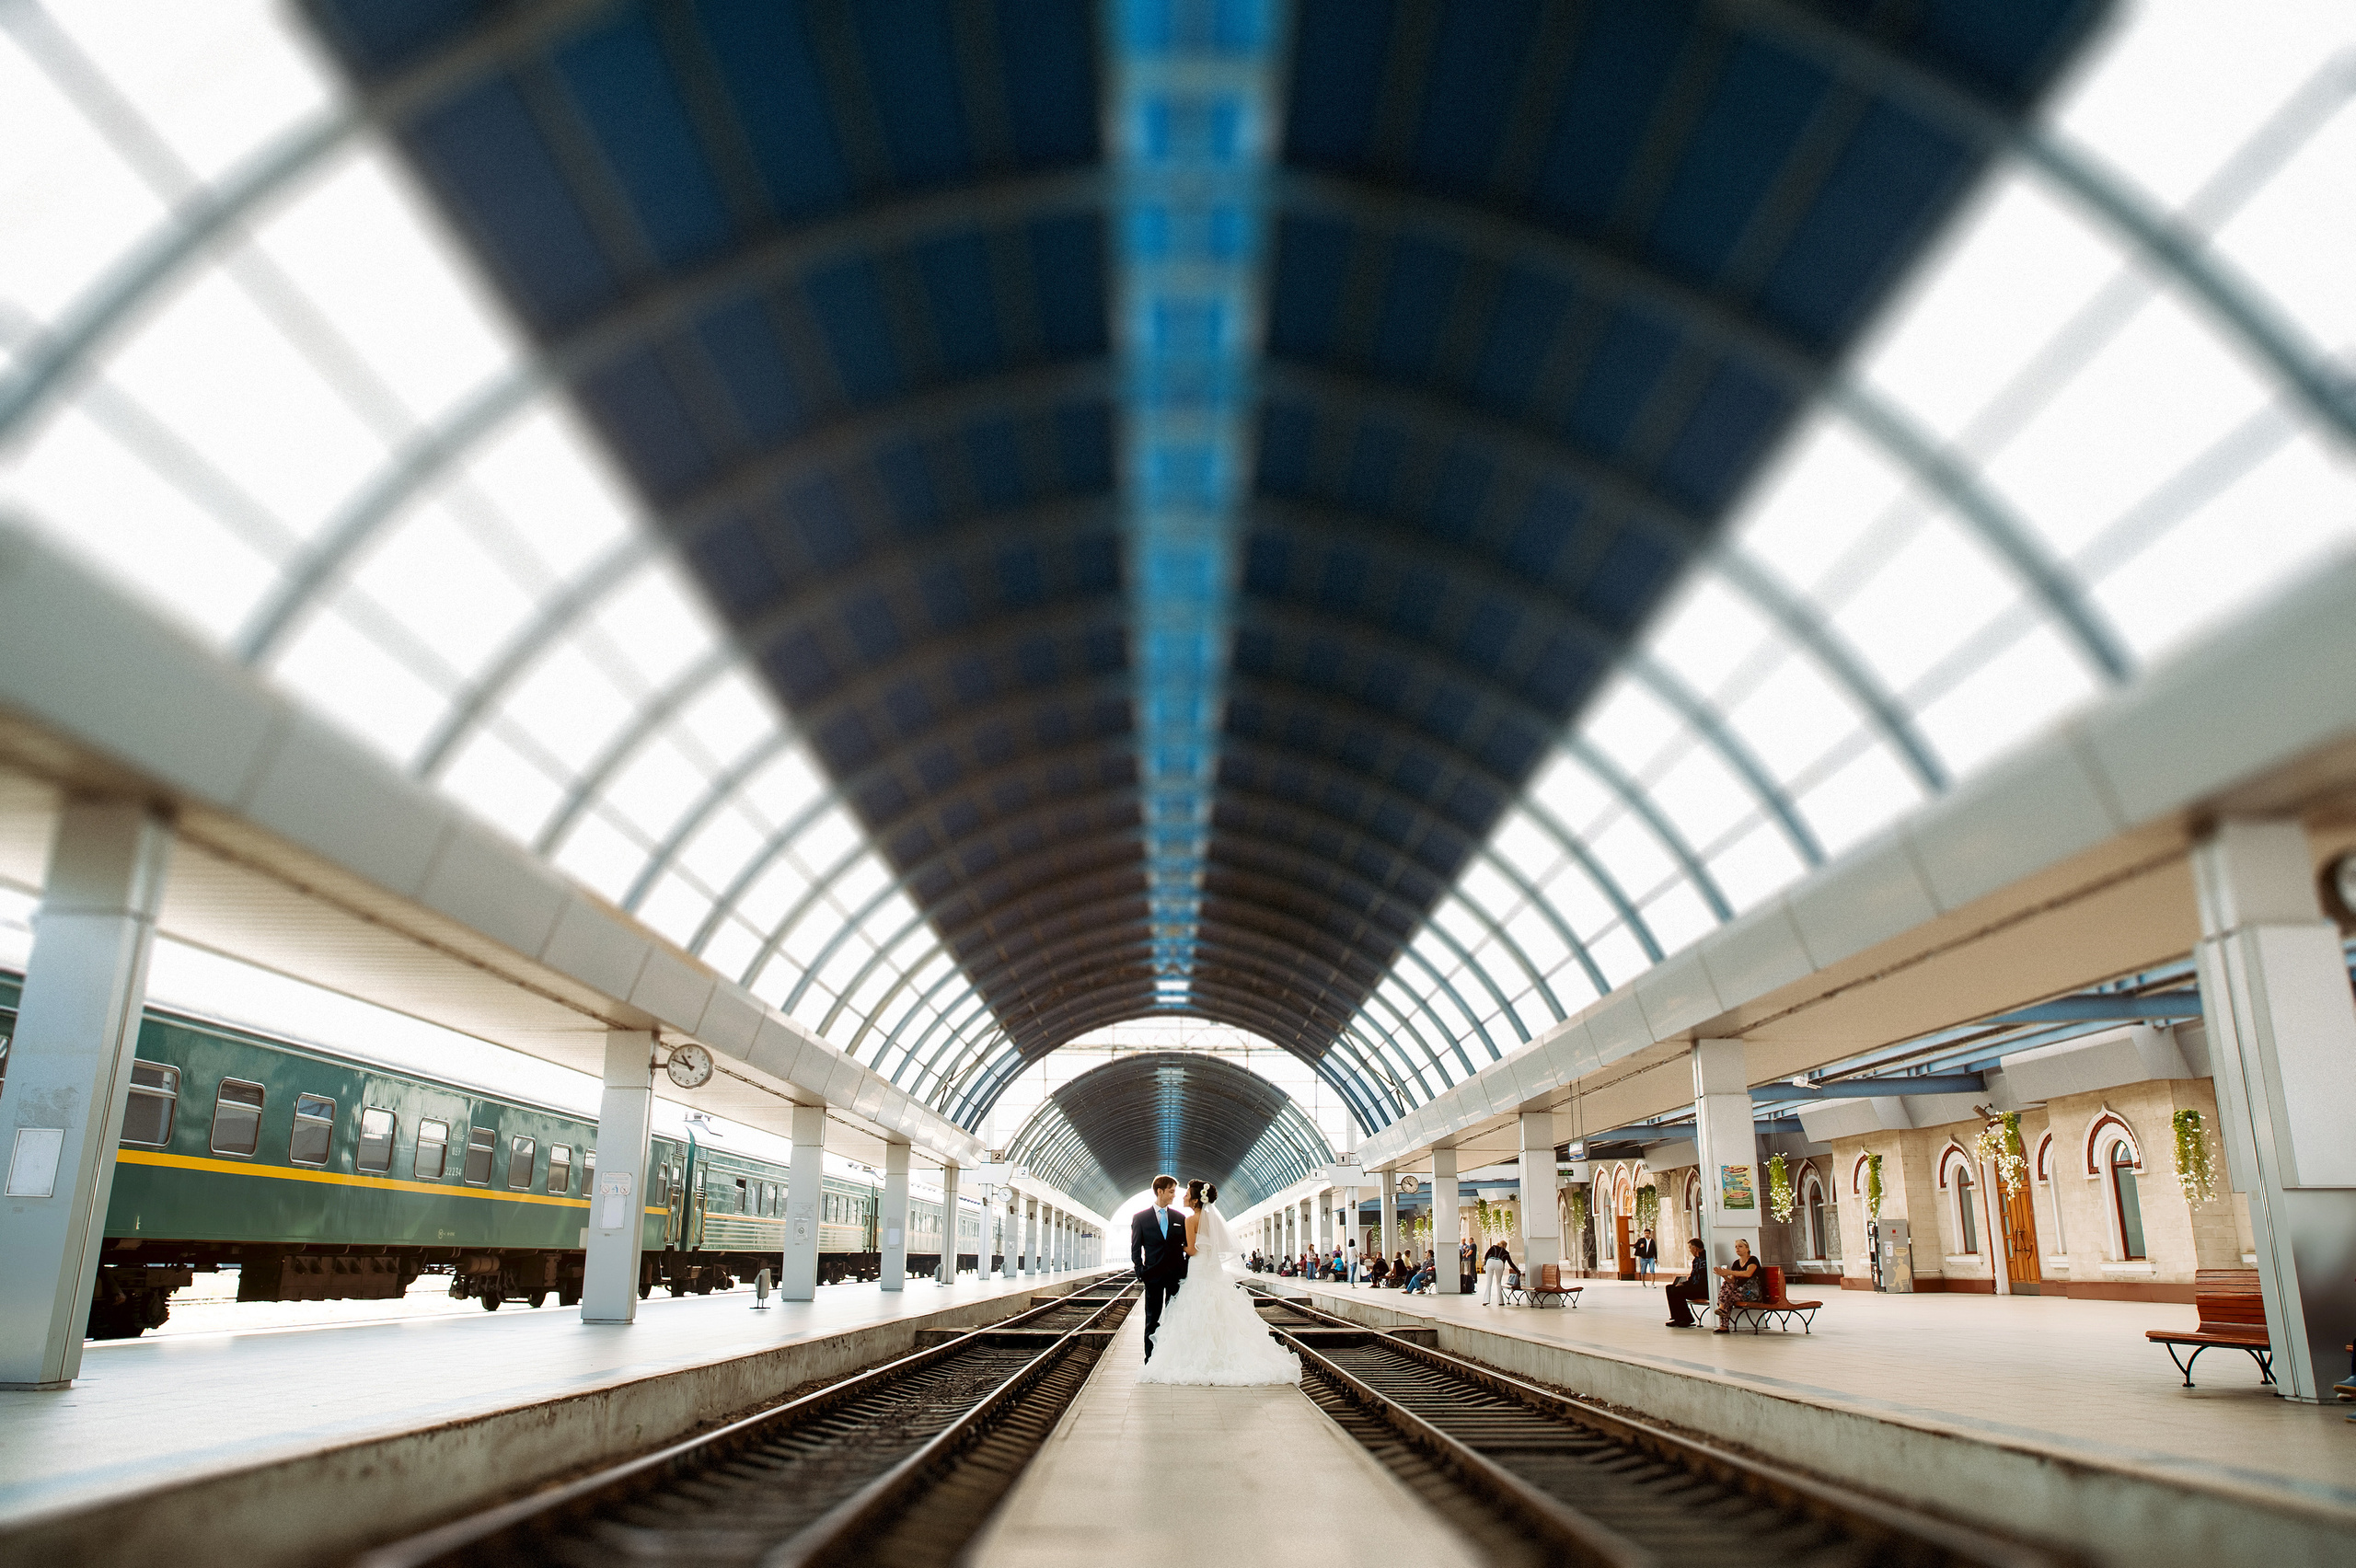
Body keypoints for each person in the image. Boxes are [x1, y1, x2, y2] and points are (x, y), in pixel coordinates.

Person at [1140, 1180, 1299, 1385]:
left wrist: (1178, 1246)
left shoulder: (1189, 1220)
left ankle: (1195, 1356)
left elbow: (1192, 1250)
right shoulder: (1211, 1220)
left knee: (1194, 1311)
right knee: (1216, 1310)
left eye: (1187, 1194)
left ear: (1196, 1200)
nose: (1182, 1196)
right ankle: (1220, 1356)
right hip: (1212, 1270)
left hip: (1198, 1268)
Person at [1130, 1174, 1190, 1361]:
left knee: (1174, 1317)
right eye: (1171, 1191)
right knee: (1152, 1318)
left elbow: (1187, 1247)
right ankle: (1150, 1358)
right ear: (1160, 1191)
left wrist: (1184, 1269)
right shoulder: (1140, 1218)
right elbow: (1135, 1247)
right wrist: (1140, 1271)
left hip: (1175, 1276)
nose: (1174, 1196)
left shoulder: (1181, 1218)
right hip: (1153, 1276)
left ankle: (1170, 1357)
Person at [1712, 1237, 1765, 1333]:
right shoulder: (1736, 1263)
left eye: (1740, 1246)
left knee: (1727, 1296)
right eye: (1736, 1247)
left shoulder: (1752, 1260)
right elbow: (1732, 1281)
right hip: (1740, 1292)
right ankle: (1722, 1311)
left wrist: (1730, 1271)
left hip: (1752, 1293)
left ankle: (1722, 1312)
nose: (1737, 1248)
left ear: (1747, 1249)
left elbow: (1748, 1273)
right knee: (1726, 1287)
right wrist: (1724, 1275)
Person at [1663, 1237, 1710, 1326]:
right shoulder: (1695, 1260)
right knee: (1670, 1288)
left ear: (1695, 1248)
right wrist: (1683, 1284)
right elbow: (1692, 1277)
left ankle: (1687, 1318)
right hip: (1694, 1286)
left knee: (1677, 1291)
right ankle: (1677, 1317)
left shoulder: (1706, 1258)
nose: (1690, 1251)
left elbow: (1703, 1278)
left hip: (1702, 1288)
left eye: (1690, 1248)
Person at [1479, 1238, 1515, 1305]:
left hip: (1490, 1262)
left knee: (1489, 1282)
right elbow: (1511, 1264)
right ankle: (1500, 1301)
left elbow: (1486, 1256)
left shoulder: (1493, 1247)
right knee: (1498, 1282)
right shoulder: (1506, 1252)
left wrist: (1485, 1263)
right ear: (1504, 1246)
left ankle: (1486, 1301)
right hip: (1499, 1262)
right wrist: (1517, 1271)